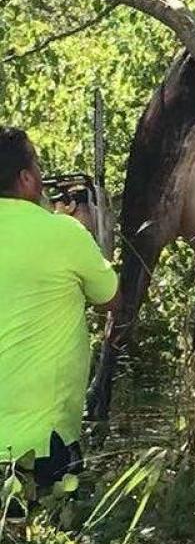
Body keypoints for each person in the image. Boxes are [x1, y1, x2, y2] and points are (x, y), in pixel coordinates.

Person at [0, 126, 119, 496]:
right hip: (43, 442)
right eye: (36, 164)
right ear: (25, 178)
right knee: (51, 538)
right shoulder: (65, 233)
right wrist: (88, 232)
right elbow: (111, 298)